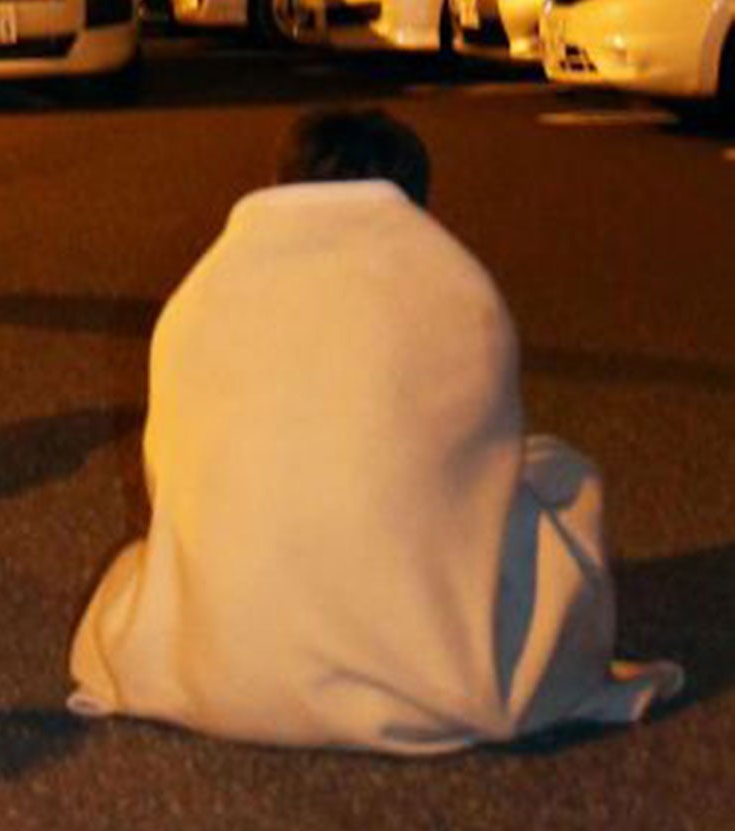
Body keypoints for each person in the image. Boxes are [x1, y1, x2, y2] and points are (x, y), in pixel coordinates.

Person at [67, 109, 683, 754]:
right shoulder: (457, 290)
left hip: (215, 659)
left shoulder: (202, 293)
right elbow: (477, 473)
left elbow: (171, 477)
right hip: (426, 649)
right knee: (560, 474)